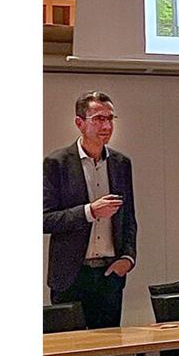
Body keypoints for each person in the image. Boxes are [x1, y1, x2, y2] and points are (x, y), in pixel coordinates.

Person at [44, 91, 137, 329]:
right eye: (98, 119)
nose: (106, 125)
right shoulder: (57, 163)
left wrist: (128, 257)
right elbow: (44, 219)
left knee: (105, 355)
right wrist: (89, 212)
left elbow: (129, 219)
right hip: (71, 276)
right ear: (79, 123)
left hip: (110, 275)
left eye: (110, 119)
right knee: (68, 354)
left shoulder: (120, 163)